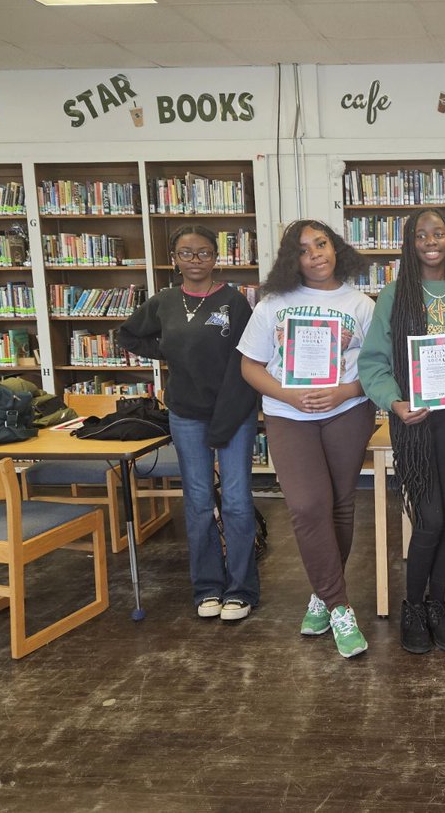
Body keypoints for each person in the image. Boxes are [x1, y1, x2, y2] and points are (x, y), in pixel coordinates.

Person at [237, 220, 375, 659]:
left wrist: (346, 390)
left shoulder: (361, 304)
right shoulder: (273, 304)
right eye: (304, 249)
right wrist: (288, 395)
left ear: (337, 249)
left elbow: (376, 369)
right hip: (287, 415)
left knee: (339, 505)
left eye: (322, 243)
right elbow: (251, 366)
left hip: (348, 411)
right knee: (306, 505)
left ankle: (321, 595)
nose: (316, 253)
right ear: (290, 260)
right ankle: (340, 607)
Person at [358, 209, 445, 655]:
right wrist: (394, 402)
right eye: (421, 235)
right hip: (413, 421)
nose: (430, 241)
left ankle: (437, 604)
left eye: (438, 233)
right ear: (410, 244)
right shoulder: (394, 296)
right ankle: (412, 606)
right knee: (429, 516)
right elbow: (374, 362)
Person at [119, 225, 259, 621]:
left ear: (217, 257)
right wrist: (165, 351)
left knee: (235, 501)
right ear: (174, 259)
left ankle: (241, 589)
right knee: (197, 502)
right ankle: (207, 588)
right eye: (185, 253)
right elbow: (128, 335)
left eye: (202, 253)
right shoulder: (164, 301)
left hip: (233, 410)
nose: (194, 260)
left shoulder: (235, 302)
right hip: (186, 413)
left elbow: (250, 357)